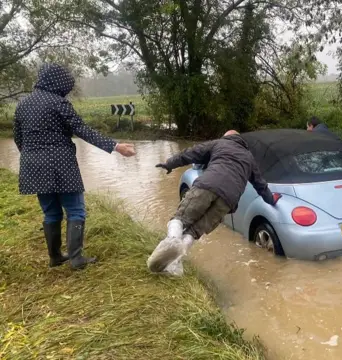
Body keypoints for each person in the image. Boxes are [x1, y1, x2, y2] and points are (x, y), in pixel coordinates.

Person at [13, 63, 137, 270]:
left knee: (51, 213)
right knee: (76, 210)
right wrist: (116, 147)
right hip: (61, 164)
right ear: (57, 82)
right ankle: (77, 258)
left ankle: (55, 257)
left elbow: (19, 139)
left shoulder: (23, 105)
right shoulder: (58, 103)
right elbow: (82, 130)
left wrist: (33, 159)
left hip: (32, 166)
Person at [148, 130, 276, 275]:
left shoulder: (218, 144)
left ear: (226, 137)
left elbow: (191, 153)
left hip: (207, 186)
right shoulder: (249, 157)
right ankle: (174, 264)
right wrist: (272, 200)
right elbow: (261, 185)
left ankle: (172, 240)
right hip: (228, 201)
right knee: (196, 231)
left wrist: (170, 163)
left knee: (180, 218)